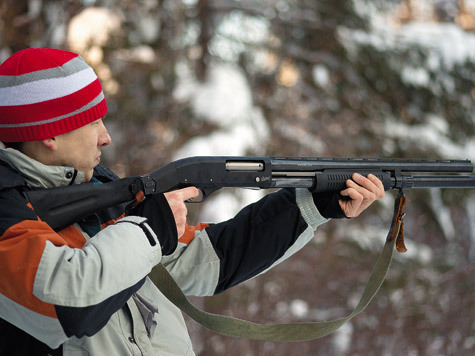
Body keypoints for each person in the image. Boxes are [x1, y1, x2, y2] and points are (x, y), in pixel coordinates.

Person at [0, 48, 385, 356]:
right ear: (50, 135)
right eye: (92, 122)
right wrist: (148, 229)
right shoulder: (8, 212)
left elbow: (213, 259)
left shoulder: (99, 192)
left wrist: (310, 206)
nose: (106, 137)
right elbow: (66, 302)